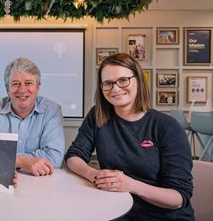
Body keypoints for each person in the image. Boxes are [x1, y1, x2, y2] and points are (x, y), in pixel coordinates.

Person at [65, 53, 194, 220]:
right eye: (108, 83)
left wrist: (130, 185)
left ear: (138, 80)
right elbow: (73, 156)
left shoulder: (167, 127)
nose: (115, 88)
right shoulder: (98, 115)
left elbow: (178, 198)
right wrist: (93, 175)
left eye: (123, 80)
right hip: (115, 211)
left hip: (162, 216)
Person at [0, 57, 65, 176]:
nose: (22, 89)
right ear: (7, 89)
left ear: (38, 87)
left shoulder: (52, 111)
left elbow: (54, 158)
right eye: (15, 84)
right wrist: (22, 161)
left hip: (41, 182)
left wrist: (6, 158)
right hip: (1, 178)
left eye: (28, 83)